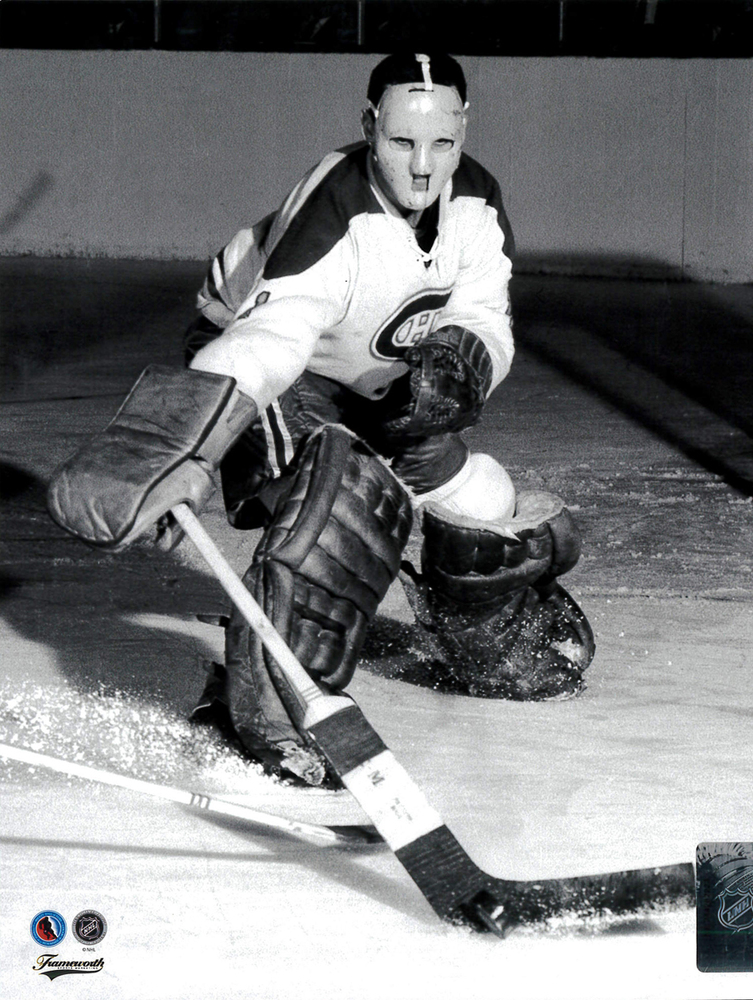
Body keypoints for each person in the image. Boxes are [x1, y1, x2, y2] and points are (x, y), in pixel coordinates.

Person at [47, 53, 595, 787]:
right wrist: (176, 439)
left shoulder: (478, 202)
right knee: (333, 512)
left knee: (482, 505)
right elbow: (269, 339)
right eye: (401, 142)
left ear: (466, 128)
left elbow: (483, 313)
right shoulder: (335, 208)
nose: (423, 167)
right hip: (276, 372)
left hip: (379, 381)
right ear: (369, 127)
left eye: (442, 143)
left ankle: (475, 634)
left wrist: (462, 361)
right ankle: (266, 711)